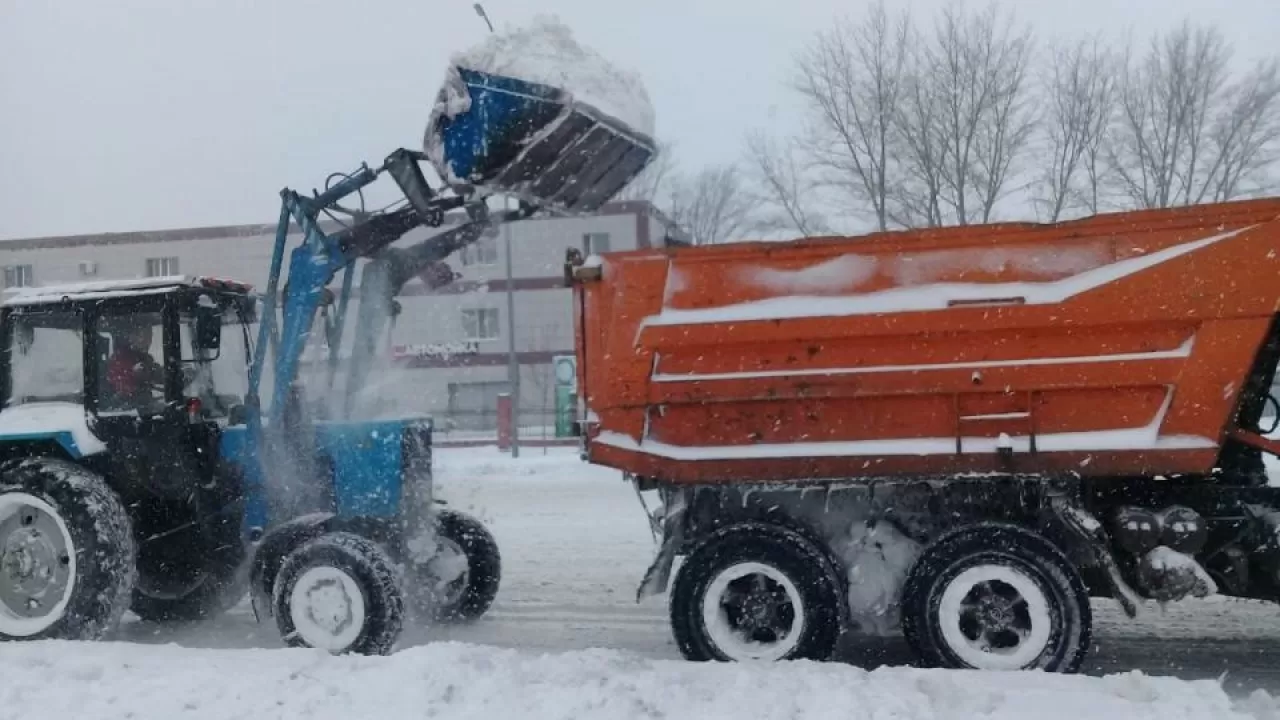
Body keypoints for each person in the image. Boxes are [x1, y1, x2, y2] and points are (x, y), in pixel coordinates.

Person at [106, 321, 164, 407]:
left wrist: (165, 375)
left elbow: (156, 375)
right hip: (127, 411)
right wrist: (134, 376)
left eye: (150, 335)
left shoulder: (146, 359)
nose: (148, 340)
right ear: (131, 336)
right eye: (142, 335)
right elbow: (121, 386)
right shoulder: (119, 359)